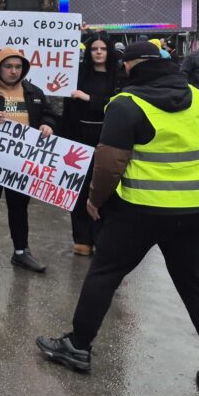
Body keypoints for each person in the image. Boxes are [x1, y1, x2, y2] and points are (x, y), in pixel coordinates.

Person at [36, 41, 199, 393]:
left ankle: (77, 346)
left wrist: (94, 200)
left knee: (105, 274)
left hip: (140, 210)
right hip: (194, 209)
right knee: (194, 287)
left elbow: (110, 162)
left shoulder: (126, 104)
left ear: (131, 67)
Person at [0, 48, 57, 273]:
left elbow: (50, 113)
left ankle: (21, 251)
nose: (14, 71)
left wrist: (47, 124)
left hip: (23, 161)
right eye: (9, 66)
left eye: (18, 67)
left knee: (19, 206)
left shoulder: (33, 91)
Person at [59, 33, 120, 255]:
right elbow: (68, 107)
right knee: (80, 188)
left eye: (103, 49)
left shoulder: (118, 77)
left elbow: (121, 103)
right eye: (94, 49)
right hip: (80, 137)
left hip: (109, 138)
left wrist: (90, 100)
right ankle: (82, 238)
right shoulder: (79, 75)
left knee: (106, 188)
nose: (98, 52)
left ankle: (103, 236)